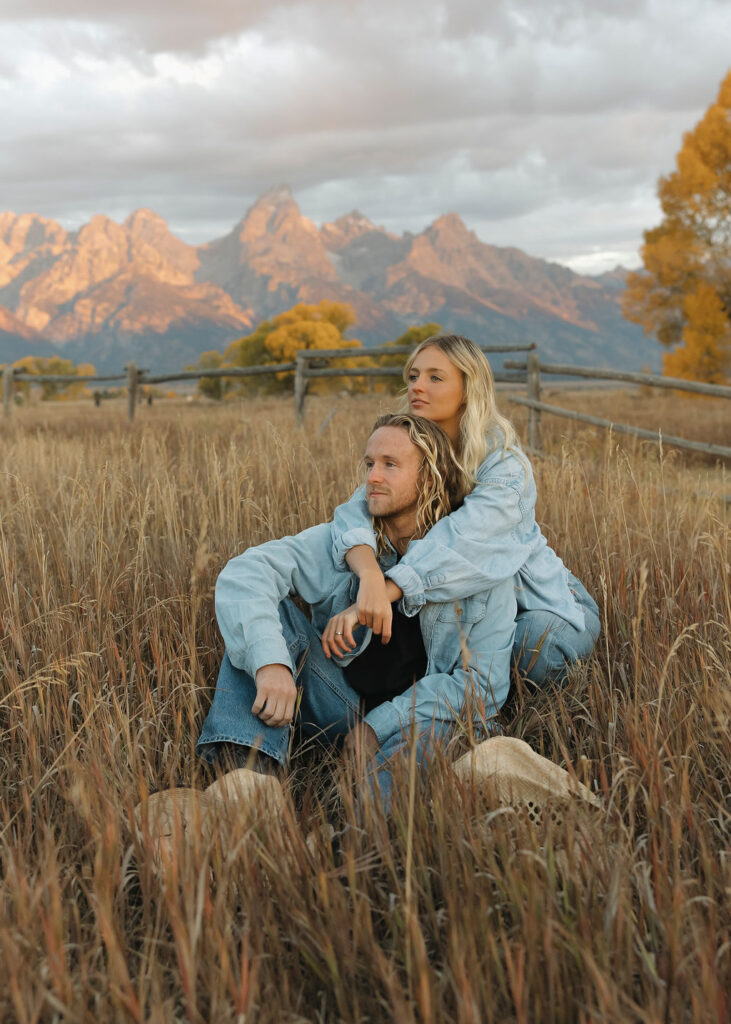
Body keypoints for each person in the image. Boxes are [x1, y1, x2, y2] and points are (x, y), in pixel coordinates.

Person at [326, 334, 600, 689]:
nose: (417, 387)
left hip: (537, 603)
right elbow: (356, 511)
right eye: (413, 376)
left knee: (532, 653)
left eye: (435, 377)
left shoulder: (505, 465)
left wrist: (386, 590)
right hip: (467, 608)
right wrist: (370, 577)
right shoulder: (410, 445)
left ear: (469, 388)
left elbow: (463, 541)